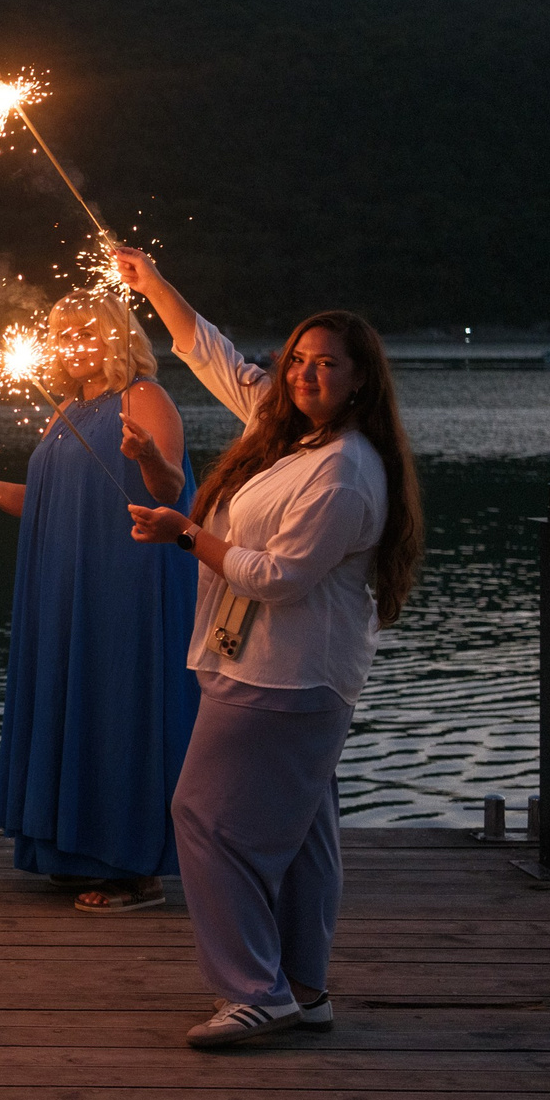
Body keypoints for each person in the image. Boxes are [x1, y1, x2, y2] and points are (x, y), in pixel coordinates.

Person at [113, 247, 424, 1049]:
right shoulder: (287, 434)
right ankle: (305, 990)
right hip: (264, 667)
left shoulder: (344, 471)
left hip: (284, 677)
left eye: (326, 364)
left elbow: (279, 578)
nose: (304, 374)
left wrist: (186, 534)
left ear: (360, 380)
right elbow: (211, 353)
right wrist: (154, 285)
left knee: (203, 818)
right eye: (297, 360)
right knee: (307, 834)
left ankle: (255, 990)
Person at [0, 290, 199, 914]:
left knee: (121, 702)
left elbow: (172, 488)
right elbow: (43, 501)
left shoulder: (143, 397)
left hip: (126, 577)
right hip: (66, 580)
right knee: (76, 700)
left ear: (117, 335)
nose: (72, 344)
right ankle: (78, 851)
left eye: (86, 331)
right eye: (62, 334)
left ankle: (136, 870)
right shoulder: (69, 408)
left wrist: (149, 456)